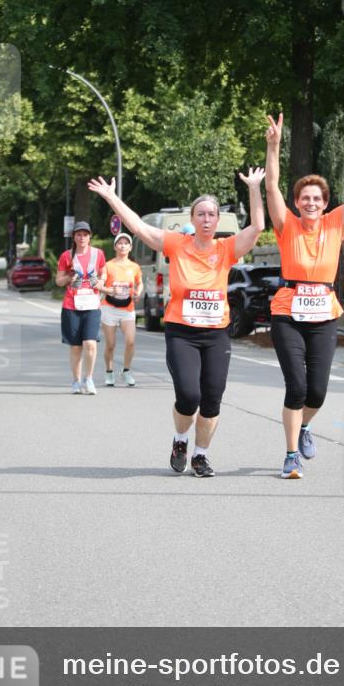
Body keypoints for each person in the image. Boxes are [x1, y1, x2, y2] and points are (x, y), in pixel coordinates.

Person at [89, 169, 265, 477]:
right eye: (201, 214)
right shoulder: (176, 244)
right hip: (182, 333)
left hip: (215, 334)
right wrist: (112, 197)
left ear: (217, 220)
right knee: (189, 395)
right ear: (193, 219)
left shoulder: (226, 249)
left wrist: (253, 188)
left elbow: (258, 226)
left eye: (212, 214)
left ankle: (201, 455)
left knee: (212, 398)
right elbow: (140, 227)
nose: (207, 219)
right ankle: (180, 440)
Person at [265, 113, 344, 479]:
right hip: (288, 313)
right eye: (304, 197)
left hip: (323, 314)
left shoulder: (336, 222)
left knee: (316, 392)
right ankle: (290, 455)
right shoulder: (286, 225)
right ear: (297, 202)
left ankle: (305, 426)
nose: (311, 202)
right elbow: (271, 188)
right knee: (297, 386)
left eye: (317, 198)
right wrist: (273, 146)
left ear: (325, 202)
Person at [55, 220, 108, 395]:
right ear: (74, 237)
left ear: (90, 236)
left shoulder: (98, 254)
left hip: (92, 304)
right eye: (79, 234)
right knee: (76, 346)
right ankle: (76, 381)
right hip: (72, 305)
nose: (82, 237)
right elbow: (58, 281)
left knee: (90, 343)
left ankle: (89, 379)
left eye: (85, 234)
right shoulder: (66, 256)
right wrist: (69, 279)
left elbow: (104, 273)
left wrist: (100, 282)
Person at [102, 233, 144, 387]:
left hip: (127, 308)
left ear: (130, 247)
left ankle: (126, 371)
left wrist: (138, 292)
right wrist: (109, 290)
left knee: (131, 341)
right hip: (109, 308)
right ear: (115, 246)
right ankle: (109, 372)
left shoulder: (134, 267)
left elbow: (139, 283)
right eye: (120, 243)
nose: (123, 246)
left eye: (126, 243)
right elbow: (101, 284)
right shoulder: (108, 265)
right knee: (110, 345)